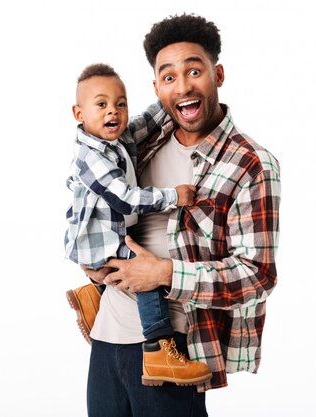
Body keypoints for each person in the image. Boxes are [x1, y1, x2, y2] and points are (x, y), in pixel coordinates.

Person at [82, 13, 281, 417]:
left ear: (217, 74)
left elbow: (258, 275)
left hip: (173, 349)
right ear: (156, 88)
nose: (184, 85)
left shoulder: (250, 164)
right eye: (169, 76)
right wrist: (92, 259)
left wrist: (163, 273)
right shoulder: (141, 140)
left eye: (195, 70)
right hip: (107, 338)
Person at [64, 63, 212, 387]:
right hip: (97, 240)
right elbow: (126, 199)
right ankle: (159, 349)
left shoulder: (117, 138)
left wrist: (172, 94)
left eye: (120, 103)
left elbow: (147, 121)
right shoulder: (91, 157)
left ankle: (94, 297)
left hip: (109, 233)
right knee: (145, 273)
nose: (113, 111)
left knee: (132, 268)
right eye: (101, 104)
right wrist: (173, 196)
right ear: (79, 113)